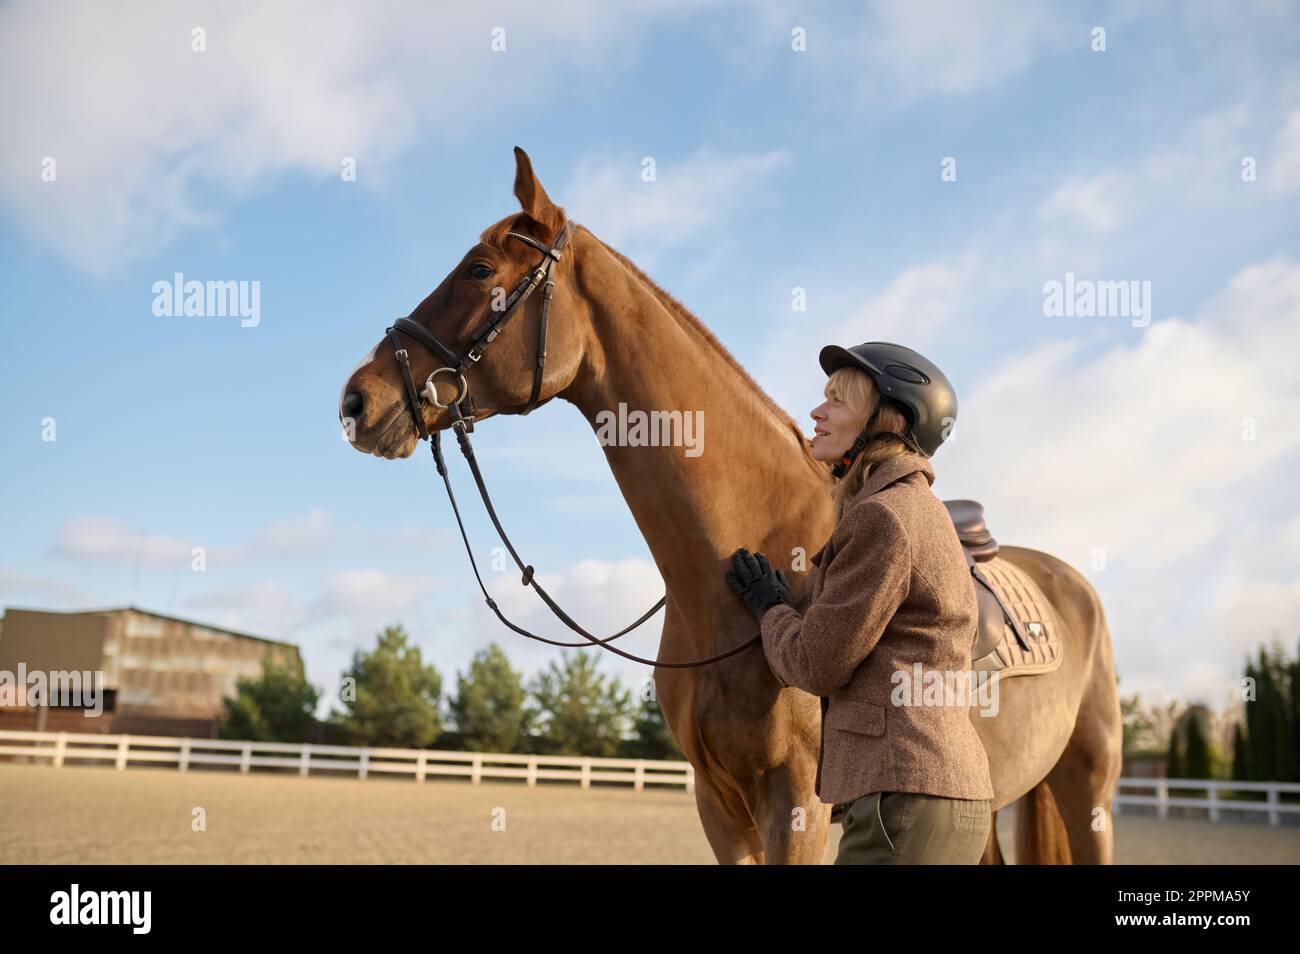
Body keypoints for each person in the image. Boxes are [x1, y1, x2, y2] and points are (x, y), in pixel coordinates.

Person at [725, 342, 994, 865]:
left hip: (904, 808)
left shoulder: (884, 517)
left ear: (888, 422)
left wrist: (771, 607)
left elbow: (815, 664)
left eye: (837, 401)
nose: (817, 412)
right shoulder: (915, 508)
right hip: (938, 800)